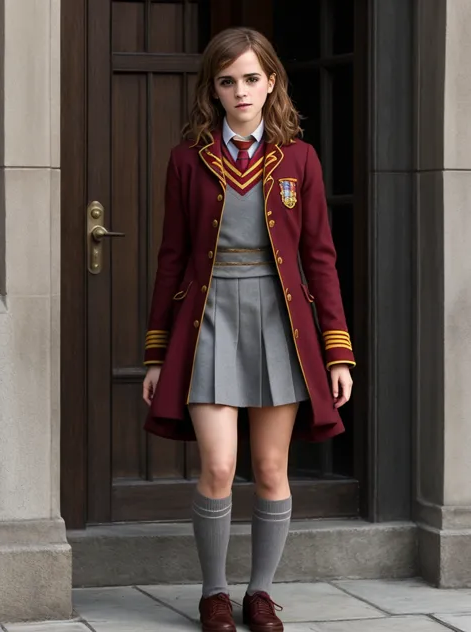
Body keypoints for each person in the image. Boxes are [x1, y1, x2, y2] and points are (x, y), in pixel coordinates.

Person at [142, 26, 355, 632]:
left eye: (252, 79)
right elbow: (171, 259)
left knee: (269, 468)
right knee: (216, 466)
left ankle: (260, 593)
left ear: (271, 84)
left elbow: (320, 259)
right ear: (214, 88)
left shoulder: (300, 159)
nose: (241, 91)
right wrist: (156, 353)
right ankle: (214, 593)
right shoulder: (188, 161)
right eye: (228, 80)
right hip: (207, 321)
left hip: (279, 322)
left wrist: (337, 351)